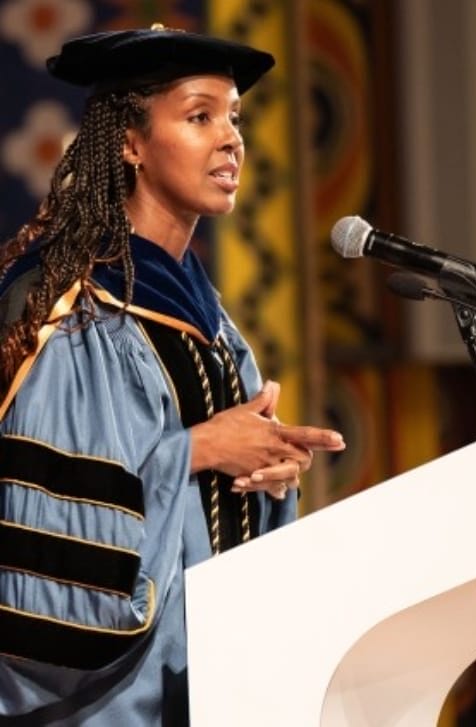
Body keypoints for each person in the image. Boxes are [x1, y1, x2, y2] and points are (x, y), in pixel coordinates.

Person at [0, 26, 345, 725]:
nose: (230, 140)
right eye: (199, 116)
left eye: (234, 118)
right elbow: (58, 567)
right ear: (129, 143)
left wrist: (265, 481)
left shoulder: (215, 328)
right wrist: (201, 450)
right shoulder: (76, 314)